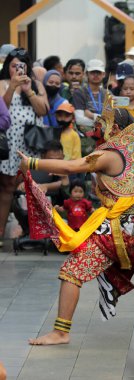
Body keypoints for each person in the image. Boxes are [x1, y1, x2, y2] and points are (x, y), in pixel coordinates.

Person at [18, 105, 134, 345]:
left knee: (72, 272)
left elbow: (71, 167)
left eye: (102, 125)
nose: (98, 129)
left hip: (117, 232)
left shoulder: (109, 155)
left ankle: (61, 331)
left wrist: (34, 163)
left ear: (117, 128)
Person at [0, 47, 48, 247]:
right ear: (7, 67)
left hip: (30, 143)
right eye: (13, 66)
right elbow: (2, 109)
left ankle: (39, 233)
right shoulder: (2, 84)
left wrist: (28, 90)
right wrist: (12, 86)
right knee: (6, 187)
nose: (17, 70)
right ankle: (1, 233)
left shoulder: (35, 84)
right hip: (8, 142)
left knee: (31, 186)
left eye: (21, 66)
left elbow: (43, 110)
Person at [73, 59, 107, 156]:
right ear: (86, 74)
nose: (96, 75)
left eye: (98, 72)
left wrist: (91, 115)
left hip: (104, 139)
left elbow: (111, 121)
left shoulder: (108, 94)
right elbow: (79, 120)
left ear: (103, 74)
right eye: (92, 72)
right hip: (86, 139)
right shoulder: (80, 92)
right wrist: (101, 120)